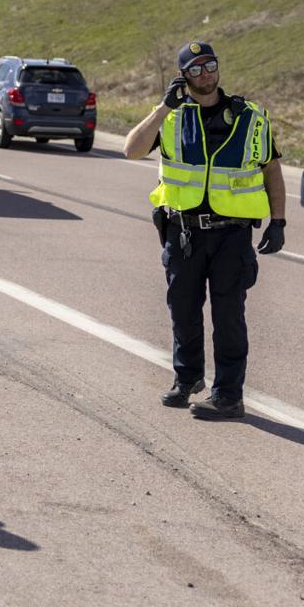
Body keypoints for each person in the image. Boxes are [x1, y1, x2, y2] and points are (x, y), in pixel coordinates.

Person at [123, 41, 286, 421]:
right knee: (183, 311)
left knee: (229, 317)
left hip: (231, 236)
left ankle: (229, 395)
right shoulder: (172, 117)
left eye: (209, 65)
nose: (205, 73)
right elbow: (131, 150)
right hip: (184, 233)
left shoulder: (251, 117)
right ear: (183, 76)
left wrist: (278, 221)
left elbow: (272, 170)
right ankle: (187, 379)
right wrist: (164, 107)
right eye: (195, 69)